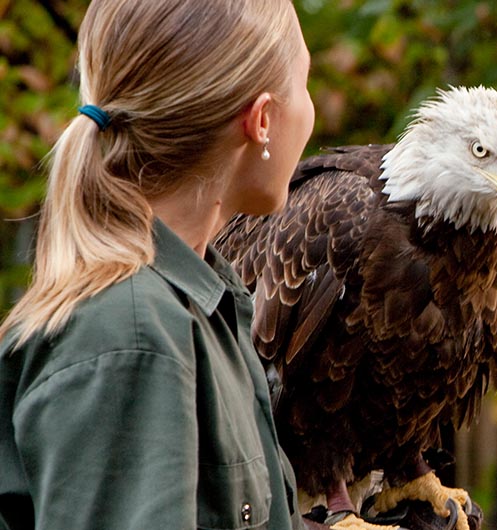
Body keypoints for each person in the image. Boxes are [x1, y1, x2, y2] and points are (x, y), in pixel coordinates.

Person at [0, 0, 315, 528]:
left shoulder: (200, 303)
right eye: (305, 83)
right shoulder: (131, 333)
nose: (311, 109)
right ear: (261, 120)